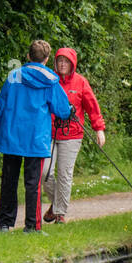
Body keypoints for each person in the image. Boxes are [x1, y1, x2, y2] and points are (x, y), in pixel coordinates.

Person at [0, 40, 73, 233]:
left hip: (11, 136)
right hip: (36, 138)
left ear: (28, 56)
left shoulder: (14, 76)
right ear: (47, 58)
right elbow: (62, 110)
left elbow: (0, 106)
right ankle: (32, 226)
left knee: (9, 181)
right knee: (33, 184)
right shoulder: (50, 80)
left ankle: (5, 224)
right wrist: (70, 110)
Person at [43, 47, 106, 223]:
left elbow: (92, 106)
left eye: (66, 61)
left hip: (72, 135)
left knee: (64, 174)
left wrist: (99, 129)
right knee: (45, 172)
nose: (62, 64)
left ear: (72, 64)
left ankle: (60, 213)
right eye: (60, 61)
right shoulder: (50, 81)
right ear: (55, 62)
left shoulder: (81, 82)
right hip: (50, 134)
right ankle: (56, 204)